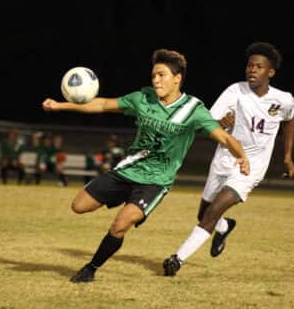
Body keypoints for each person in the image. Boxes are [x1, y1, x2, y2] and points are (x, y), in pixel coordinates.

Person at [41, 48, 250, 283]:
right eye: (154, 75)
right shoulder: (143, 98)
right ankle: (119, 200)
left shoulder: (194, 110)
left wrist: (241, 156)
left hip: (154, 181)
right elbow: (102, 105)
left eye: (161, 75)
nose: (156, 80)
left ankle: (90, 269)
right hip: (127, 170)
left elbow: (224, 137)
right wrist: (61, 106)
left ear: (177, 78)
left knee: (121, 224)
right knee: (79, 206)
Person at [162, 41, 294, 277]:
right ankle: (224, 227)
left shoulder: (283, 100)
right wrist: (221, 123)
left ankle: (177, 259)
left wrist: (287, 156)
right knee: (204, 213)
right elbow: (210, 121)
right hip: (225, 158)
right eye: (249, 65)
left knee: (213, 212)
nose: (252, 70)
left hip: (251, 166)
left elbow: (289, 120)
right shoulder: (235, 90)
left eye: (259, 66)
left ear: (270, 72)